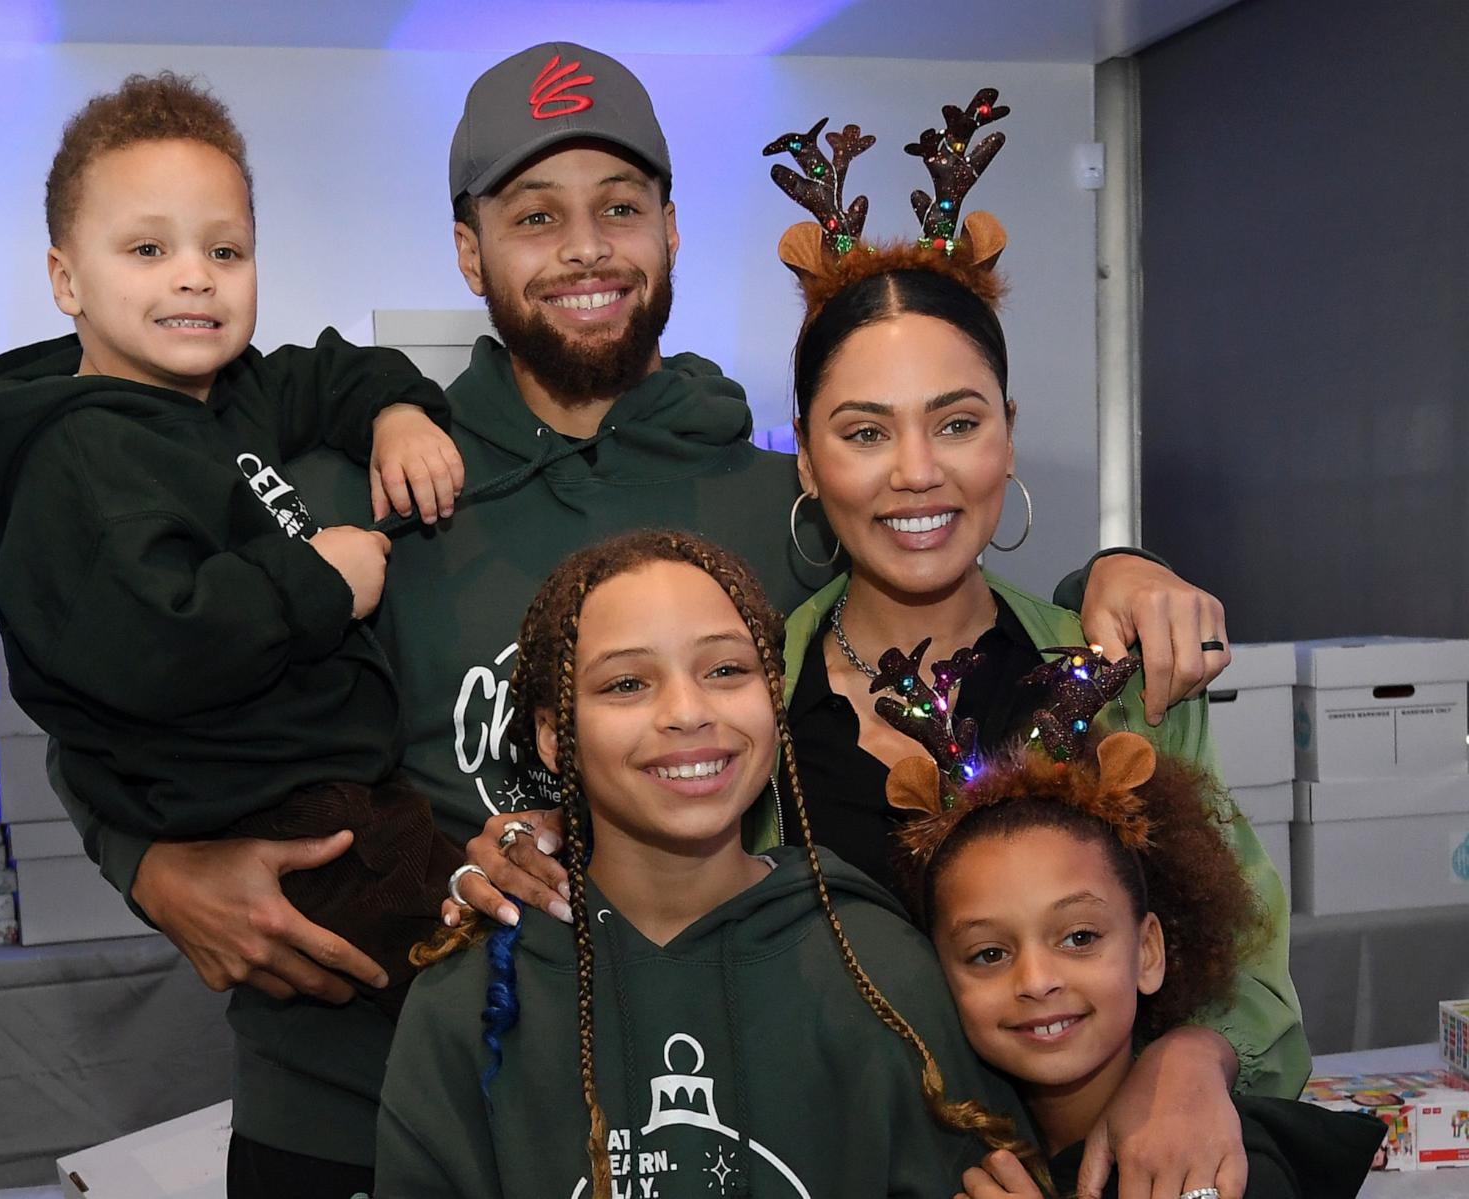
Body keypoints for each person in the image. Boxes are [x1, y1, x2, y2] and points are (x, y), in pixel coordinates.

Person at [50, 46, 1235, 1190]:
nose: (583, 249)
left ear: (670, 231)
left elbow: (930, 546)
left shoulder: (778, 503)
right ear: (469, 251)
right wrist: (146, 859)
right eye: (532, 216)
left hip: (698, 1106)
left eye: (619, 207)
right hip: (345, 1097)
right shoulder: (355, 488)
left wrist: (1105, 578)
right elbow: (104, 647)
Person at [458, 92, 1306, 1199]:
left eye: (957, 422)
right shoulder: (743, 720)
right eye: (864, 432)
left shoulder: (1121, 680)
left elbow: (1250, 974)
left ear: (1007, 434)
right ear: (805, 459)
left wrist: (1194, 1053)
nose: (917, 471)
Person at [0, 71, 464, 1193]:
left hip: (336, 791)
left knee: (496, 953)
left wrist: (396, 407)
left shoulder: (223, 398)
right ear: (63, 278)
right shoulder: (80, 460)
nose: (194, 277)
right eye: (148, 251)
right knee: (494, 985)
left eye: (225, 251)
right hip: (269, 814)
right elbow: (159, 641)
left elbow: (333, 368)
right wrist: (321, 578)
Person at [376, 529, 1038, 1198]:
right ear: (554, 735)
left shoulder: (881, 969)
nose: (687, 712)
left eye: (726, 670)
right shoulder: (475, 998)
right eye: (627, 682)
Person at [884, 720, 1382, 1198]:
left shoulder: (1221, 1162)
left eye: (1079, 938)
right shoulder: (938, 1162)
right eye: (989, 953)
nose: (1036, 981)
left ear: (1147, 952)